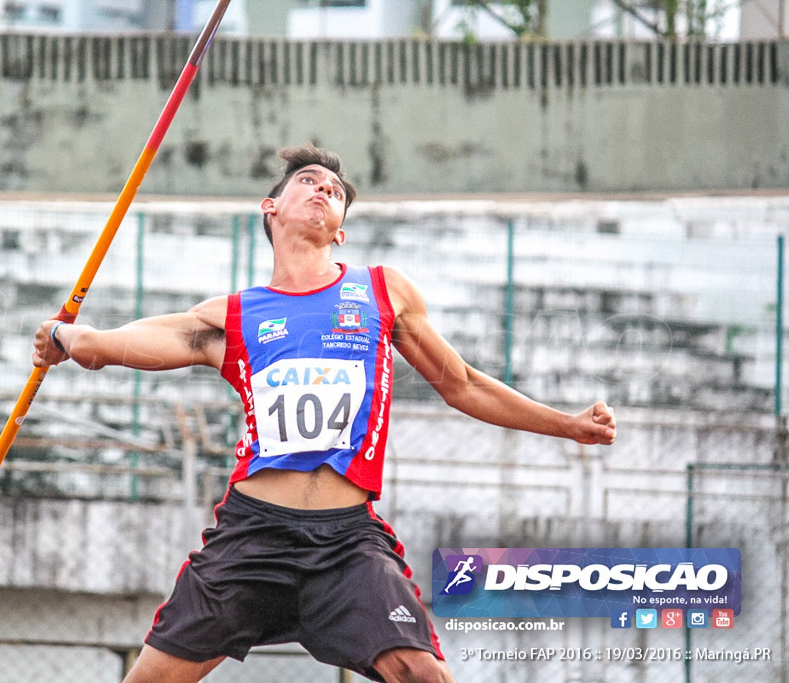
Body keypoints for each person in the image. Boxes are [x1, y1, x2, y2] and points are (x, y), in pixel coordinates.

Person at [32, 144, 617, 683]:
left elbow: (461, 384)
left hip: (346, 545)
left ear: (341, 231)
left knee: (422, 673)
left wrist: (566, 424)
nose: (323, 191)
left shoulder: (383, 292)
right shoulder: (233, 316)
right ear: (271, 208)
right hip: (252, 538)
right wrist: (63, 334)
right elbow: (112, 343)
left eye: (335, 191)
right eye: (309, 182)